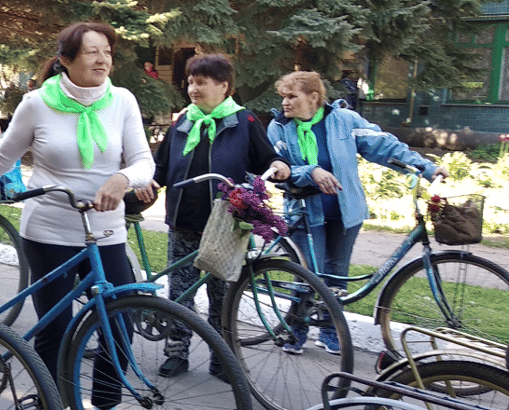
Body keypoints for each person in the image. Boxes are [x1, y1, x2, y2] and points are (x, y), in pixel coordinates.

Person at [0, 21, 155, 410]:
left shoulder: (121, 100)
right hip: (49, 227)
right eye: (92, 52)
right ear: (66, 59)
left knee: (121, 322)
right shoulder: (37, 103)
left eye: (107, 50)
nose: (102, 59)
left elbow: (144, 160)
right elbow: (2, 156)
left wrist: (123, 177)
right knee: (57, 325)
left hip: (104, 231)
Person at [267, 70, 446, 354]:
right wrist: (311, 171)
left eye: (292, 96)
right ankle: (296, 329)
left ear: (314, 97)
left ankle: (329, 330)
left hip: (345, 209)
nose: (285, 103)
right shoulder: (280, 128)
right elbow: (279, 168)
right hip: (304, 211)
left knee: (337, 276)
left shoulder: (344, 121)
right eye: (284, 97)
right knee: (309, 276)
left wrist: (426, 167)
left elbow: (383, 144)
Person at [135, 54, 289, 376]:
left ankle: (223, 357)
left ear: (224, 86)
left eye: (201, 82)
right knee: (181, 292)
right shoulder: (182, 122)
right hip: (184, 221)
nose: (193, 88)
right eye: (190, 82)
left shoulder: (243, 122)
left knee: (222, 294)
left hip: (228, 225)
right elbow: (162, 166)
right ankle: (177, 351)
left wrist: (279, 167)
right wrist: (151, 180)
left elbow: (269, 157)